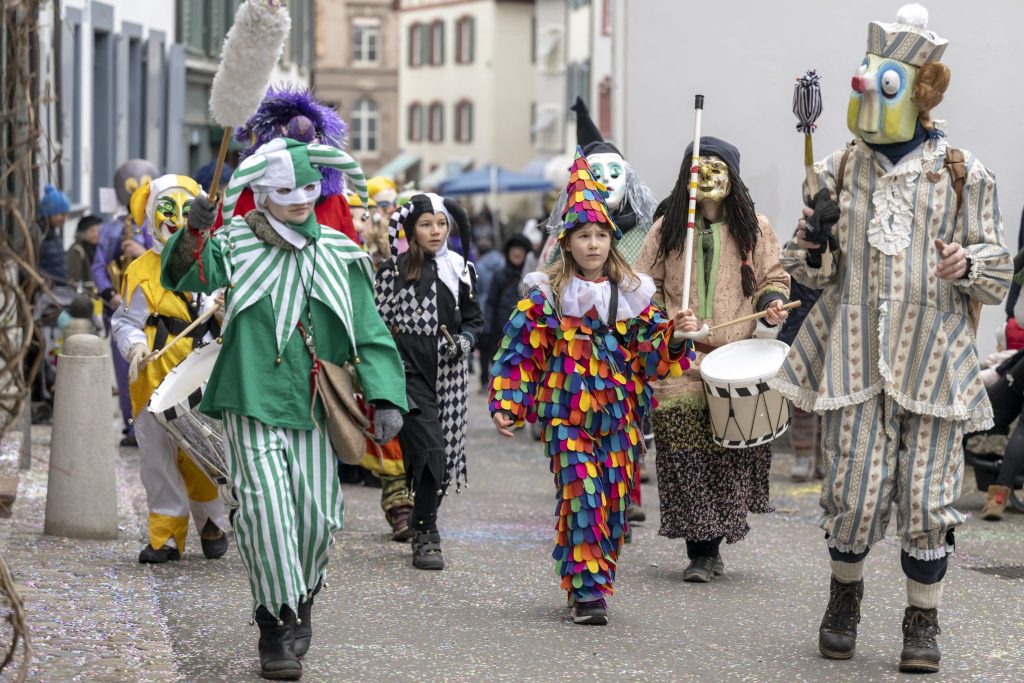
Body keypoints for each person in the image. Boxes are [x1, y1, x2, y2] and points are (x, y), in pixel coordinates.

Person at [770, 5, 1011, 673]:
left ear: (921, 89)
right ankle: (843, 598)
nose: (869, 92)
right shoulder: (839, 170)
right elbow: (812, 268)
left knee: (929, 494)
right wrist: (814, 241)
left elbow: (997, 266)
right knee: (852, 487)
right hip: (852, 352)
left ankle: (921, 619)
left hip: (933, 357)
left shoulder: (965, 170)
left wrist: (967, 263)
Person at [162, 137, 407, 679]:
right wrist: (196, 231)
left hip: (316, 406)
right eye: (283, 189)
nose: (297, 198)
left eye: (306, 188)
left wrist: (386, 392)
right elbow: (189, 273)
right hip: (251, 396)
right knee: (267, 511)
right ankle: (274, 623)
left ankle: (303, 594)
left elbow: (368, 329)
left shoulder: (342, 254)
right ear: (261, 193)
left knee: (317, 518)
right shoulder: (234, 244)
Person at [489, 147, 692, 625]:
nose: (594, 244)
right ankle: (587, 593)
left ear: (612, 242)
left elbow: (652, 355)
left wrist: (675, 335)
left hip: (621, 419)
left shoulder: (632, 295)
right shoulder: (549, 298)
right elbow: (521, 354)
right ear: (567, 242)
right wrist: (508, 402)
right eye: (585, 235)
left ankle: (599, 574)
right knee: (582, 499)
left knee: (614, 503)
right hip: (567, 420)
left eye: (602, 235)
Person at [634, 136, 790, 583]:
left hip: (733, 358)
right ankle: (700, 550)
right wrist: (664, 320)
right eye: (699, 168)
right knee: (685, 457)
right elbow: (644, 284)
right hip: (680, 360)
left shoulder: (754, 228)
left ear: (733, 177)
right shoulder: (666, 229)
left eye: (717, 167)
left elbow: (773, 277)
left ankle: (713, 544)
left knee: (725, 456)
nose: (707, 176)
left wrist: (774, 301)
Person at [111, 174, 228, 564]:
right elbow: (125, 323)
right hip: (153, 374)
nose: (177, 219)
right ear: (149, 213)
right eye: (167, 209)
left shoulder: (213, 264)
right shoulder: (141, 271)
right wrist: (135, 348)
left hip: (199, 372)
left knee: (202, 451)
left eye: (185, 210)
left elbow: (228, 320)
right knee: (157, 460)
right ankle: (166, 536)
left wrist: (225, 316)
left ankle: (212, 521)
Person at [374, 192, 483, 570]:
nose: (435, 231)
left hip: (450, 376)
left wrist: (465, 341)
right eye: (425, 224)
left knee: (444, 460)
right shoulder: (393, 271)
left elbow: (474, 320)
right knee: (431, 449)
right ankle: (427, 533)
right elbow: (375, 325)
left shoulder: (461, 269)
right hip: (407, 372)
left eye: (440, 224)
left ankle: (422, 517)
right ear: (411, 229)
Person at [215, 85, 359, 242]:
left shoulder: (334, 203)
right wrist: (195, 231)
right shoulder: (241, 199)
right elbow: (216, 255)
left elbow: (350, 258)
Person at [92, 158, 160, 447]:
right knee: (124, 371)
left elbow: (164, 260)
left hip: (154, 313)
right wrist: (111, 295)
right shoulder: (110, 230)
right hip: (121, 309)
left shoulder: (156, 226)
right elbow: (98, 267)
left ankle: (153, 425)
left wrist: (141, 248)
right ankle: (132, 426)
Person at [777, 276, 824, 482]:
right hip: (799, 330)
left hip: (833, 331)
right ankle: (803, 457)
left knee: (829, 403)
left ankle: (824, 459)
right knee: (801, 401)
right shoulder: (795, 254)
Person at [479, 234, 532, 389]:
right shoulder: (500, 275)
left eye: (520, 249)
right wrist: (487, 329)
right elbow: (491, 304)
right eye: (514, 249)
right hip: (501, 333)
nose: (517, 253)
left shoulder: (532, 277)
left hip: (525, 335)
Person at [34, 184, 71, 283]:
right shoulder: (36, 233)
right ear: (49, 213)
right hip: (45, 292)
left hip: (58, 291)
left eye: (66, 214)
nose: (65, 219)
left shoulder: (54, 234)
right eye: (62, 214)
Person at [66, 214, 103, 285]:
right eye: (92, 231)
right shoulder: (76, 251)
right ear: (83, 233)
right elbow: (73, 279)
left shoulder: (98, 248)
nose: (96, 234)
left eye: (98, 231)